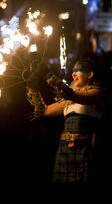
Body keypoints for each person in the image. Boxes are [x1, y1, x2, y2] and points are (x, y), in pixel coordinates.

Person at [26, 58, 106, 196]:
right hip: (64, 152)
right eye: (73, 71)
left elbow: (78, 96)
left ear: (90, 74)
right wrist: (32, 85)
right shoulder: (69, 100)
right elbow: (43, 110)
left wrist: (51, 77)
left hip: (85, 152)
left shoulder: (97, 93)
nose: (73, 74)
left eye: (78, 70)